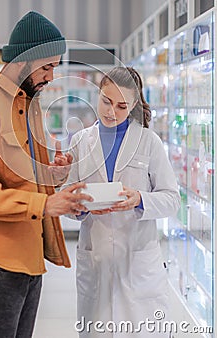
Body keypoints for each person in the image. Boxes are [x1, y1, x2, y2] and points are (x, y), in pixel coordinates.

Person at [0, 11, 93, 338]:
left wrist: (55, 174)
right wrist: (46, 205)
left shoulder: (27, 103)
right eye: (47, 66)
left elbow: (24, 177)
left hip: (24, 252)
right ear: (24, 60)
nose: (52, 76)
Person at [64, 66, 180, 338]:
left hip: (138, 261)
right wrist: (79, 207)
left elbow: (172, 199)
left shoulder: (149, 142)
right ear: (98, 94)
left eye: (121, 106)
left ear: (133, 106)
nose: (111, 112)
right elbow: (67, 193)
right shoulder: (81, 141)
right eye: (106, 101)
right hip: (96, 258)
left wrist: (140, 199)